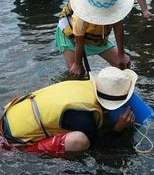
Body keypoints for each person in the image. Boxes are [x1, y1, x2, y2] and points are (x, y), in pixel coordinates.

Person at [0, 66, 137, 156]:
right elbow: (98, 148)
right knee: (81, 141)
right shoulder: (85, 117)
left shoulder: (83, 85)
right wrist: (117, 129)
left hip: (9, 114)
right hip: (14, 141)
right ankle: (26, 151)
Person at [55, 0, 134, 76]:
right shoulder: (80, 17)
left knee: (123, 67)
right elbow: (79, 42)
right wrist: (78, 64)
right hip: (72, 37)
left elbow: (118, 27)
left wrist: (121, 54)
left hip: (96, 36)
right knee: (77, 74)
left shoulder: (115, 7)